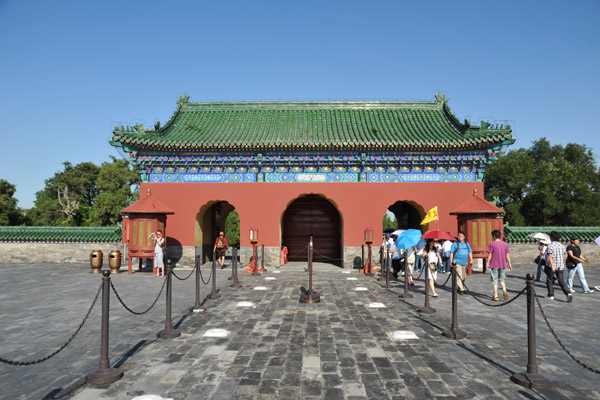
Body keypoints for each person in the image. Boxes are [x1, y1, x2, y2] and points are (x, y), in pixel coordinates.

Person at [545, 231, 572, 302]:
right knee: (561, 281)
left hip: (552, 266)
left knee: (549, 280)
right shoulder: (562, 246)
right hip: (561, 266)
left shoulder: (550, 246)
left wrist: (552, 267)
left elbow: (550, 257)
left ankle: (551, 295)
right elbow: (563, 256)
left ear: (551, 238)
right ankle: (568, 293)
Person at [486, 230, 512, 301]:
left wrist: (487, 263)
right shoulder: (505, 244)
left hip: (494, 265)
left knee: (494, 280)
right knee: (502, 279)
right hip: (503, 264)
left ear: (494, 236)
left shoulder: (492, 244)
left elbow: (490, 254)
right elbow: (507, 254)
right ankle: (504, 290)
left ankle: (496, 296)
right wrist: (509, 263)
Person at [449, 231, 473, 295]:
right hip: (457, 262)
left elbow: (470, 252)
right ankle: (462, 289)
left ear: (464, 237)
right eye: (459, 236)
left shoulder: (467, 244)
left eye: (461, 236)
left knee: (463, 277)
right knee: (458, 276)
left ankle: (460, 287)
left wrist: (471, 259)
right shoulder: (455, 244)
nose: (460, 237)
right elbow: (451, 253)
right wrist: (451, 261)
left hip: (465, 262)